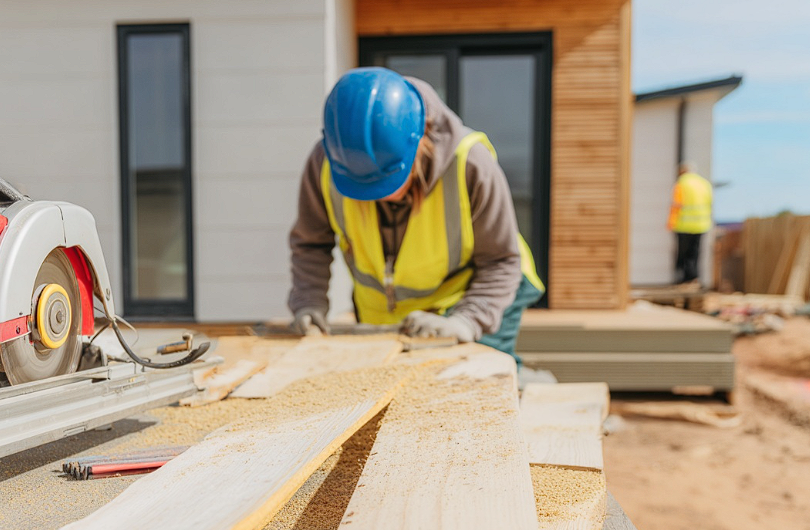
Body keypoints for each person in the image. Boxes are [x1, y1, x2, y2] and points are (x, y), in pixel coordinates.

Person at [287, 67, 544, 360]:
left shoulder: (471, 165)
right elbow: (311, 243)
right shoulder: (327, 163)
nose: (378, 196)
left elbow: (501, 261)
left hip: (479, 294)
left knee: (478, 384)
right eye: (363, 186)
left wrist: (465, 321)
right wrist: (308, 302)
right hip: (384, 309)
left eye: (387, 181)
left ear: (420, 140)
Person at [667, 162, 713, 285]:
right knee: (695, 253)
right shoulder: (704, 184)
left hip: (684, 225)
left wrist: (671, 222)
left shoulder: (681, 184)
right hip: (701, 224)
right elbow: (710, 203)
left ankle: (683, 279)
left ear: (682, 172)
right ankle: (693, 278)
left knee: (682, 253)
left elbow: (676, 205)